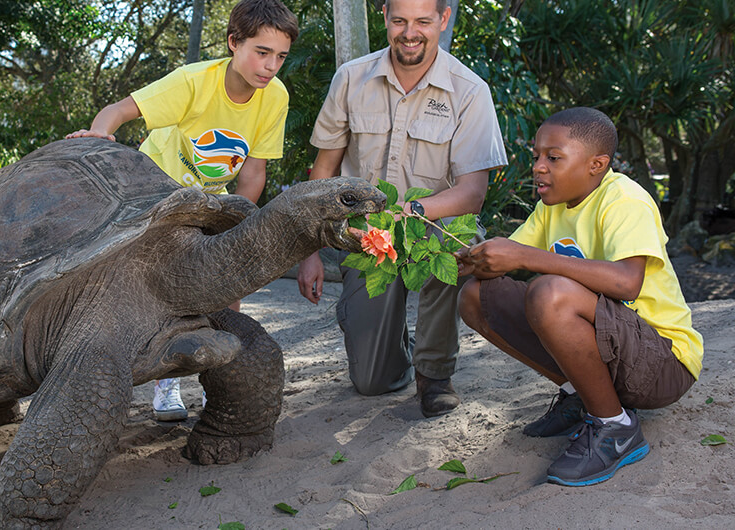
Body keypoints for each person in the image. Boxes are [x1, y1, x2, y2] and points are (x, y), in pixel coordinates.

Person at [67, 0, 299, 422]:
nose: (270, 66)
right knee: (162, 295)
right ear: (234, 42)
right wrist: (99, 134)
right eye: (261, 52)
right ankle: (164, 384)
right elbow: (120, 111)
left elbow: (254, 170)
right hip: (155, 198)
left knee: (230, 291)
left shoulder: (274, 96)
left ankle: (224, 389)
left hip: (212, 202)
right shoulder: (193, 82)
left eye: (280, 56)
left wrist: (241, 227)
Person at [456, 107, 703, 486]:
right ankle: (582, 395)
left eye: (553, 158)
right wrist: (458, 260)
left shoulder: (624, 200)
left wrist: (525, 256)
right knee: (475, 296)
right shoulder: (549, 208)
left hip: (663, 363)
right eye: (536, 156)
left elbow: (627, 283)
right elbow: (502, 262)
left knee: (550, 292)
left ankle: (615, 426)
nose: (538, 167)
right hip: (616, 351)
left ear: (596, 165)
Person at [297, 0, 506, 417]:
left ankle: (434, 373)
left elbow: (471, 194)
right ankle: (389, 342)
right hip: (365, 236)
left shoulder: (470, 91)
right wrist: (308, 250)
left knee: (456, 240)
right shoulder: (352, 78)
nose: (410, 33)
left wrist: (408, 211)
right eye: (400, 21)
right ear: (386, 17)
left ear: (443, 20)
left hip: (433, 225)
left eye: (423, 22)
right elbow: (323, 172)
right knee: (372, 382)